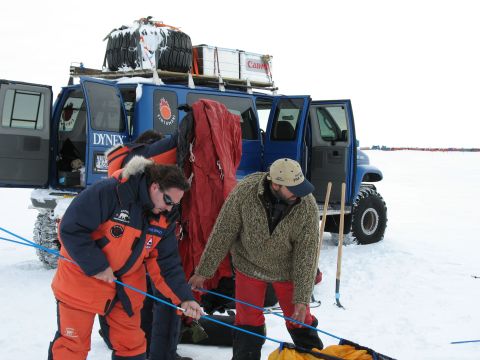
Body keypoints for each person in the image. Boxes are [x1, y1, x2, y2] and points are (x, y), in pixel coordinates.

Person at [48, 156, 202, 360]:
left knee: (133, 347)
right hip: (82, 280)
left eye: (174, 205)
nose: (169, 208)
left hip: (125, 290)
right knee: (72, 346)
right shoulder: (110, 192)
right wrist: (97, 265)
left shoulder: (164, 219)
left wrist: (185, 298)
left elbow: (166, 264)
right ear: (155, 187)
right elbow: (70, 228)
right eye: (168, 201)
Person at [189, 158, 323, 360]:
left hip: (287, 270)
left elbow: (307, 255)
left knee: (299, 318)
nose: (301, 193)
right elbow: (223, 233)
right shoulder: (246, 192)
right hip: (249, 265)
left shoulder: (306, 206)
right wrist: (203, 272)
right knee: (248, 322)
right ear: (275, 184)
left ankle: (317, 357)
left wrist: (303, 298)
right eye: (293, 188)